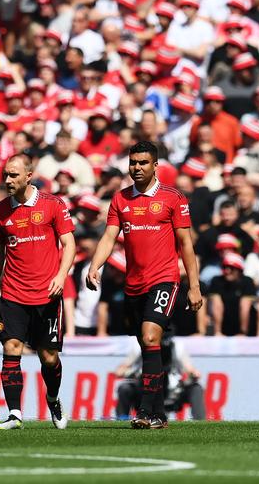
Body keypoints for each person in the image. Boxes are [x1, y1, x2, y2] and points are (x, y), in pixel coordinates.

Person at [86, 141, 203, 429]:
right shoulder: (120, 199)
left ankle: (146, 412)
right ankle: (159, 415)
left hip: (165, 280)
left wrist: (194, 285)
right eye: (133, 163)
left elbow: (186, 244)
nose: (136, 168)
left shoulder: (173, 198)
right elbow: (109, 237)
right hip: (133, 285)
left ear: (155, 166)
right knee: (147, 345)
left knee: (150, 336)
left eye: (143, 163)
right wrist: (94, 265)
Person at [0, 153, 76, 430]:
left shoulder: (53, 204)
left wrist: (61, 276)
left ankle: (52, 397)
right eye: (5, 175)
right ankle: (14, 413)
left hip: (47, 295)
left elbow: (69, 244)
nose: (8, 180)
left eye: (13, 175)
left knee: (48, 357)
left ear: (29, 176)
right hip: (13, 293)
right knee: (11, 347)